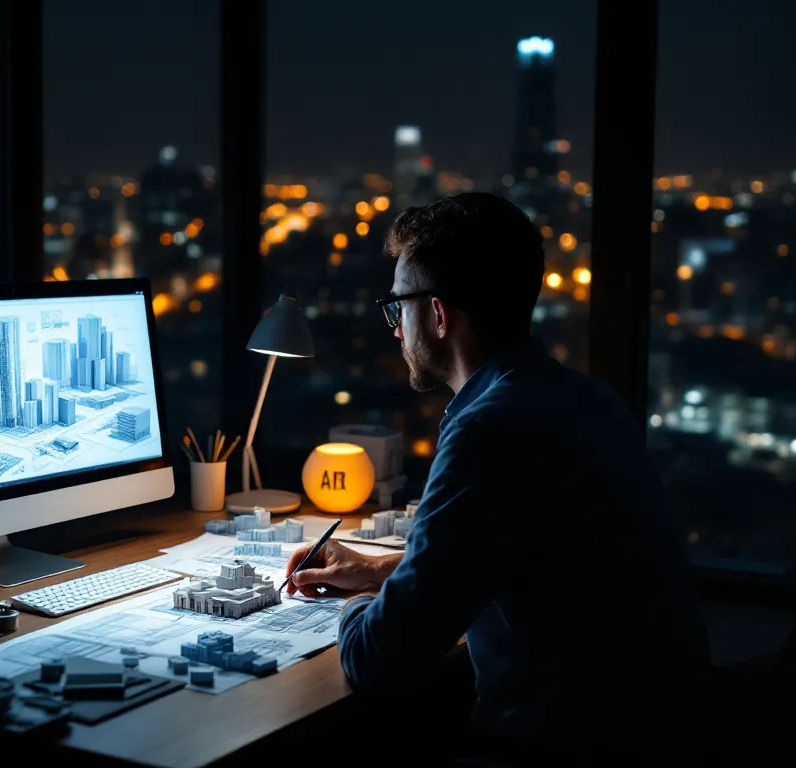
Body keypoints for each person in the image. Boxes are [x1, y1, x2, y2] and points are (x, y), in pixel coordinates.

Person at [283, 193, 711, 762]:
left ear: (436, 315)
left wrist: (352, 609)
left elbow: (379, 660)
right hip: (660, 736)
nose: (394, 328)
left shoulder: (489, 431)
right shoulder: (588, 400)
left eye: (397, 307)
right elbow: (527, 561)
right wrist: (378, 571)